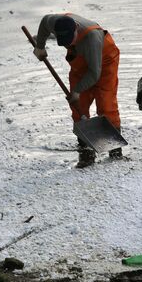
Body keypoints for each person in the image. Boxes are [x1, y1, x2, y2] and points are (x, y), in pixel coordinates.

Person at [33, 13, 122, 168]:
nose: (68, 44)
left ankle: (115, 153)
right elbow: (44, 21)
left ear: (76, 29)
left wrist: (77, 90)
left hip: (104, 61)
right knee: (78, 105)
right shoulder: (56, 22)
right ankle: (86, 153)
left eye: (70, 40)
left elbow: (95, 73)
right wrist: (39, 46)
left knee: (106, 105)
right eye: (65, 43)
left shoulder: (92, 38)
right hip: (79, 61)